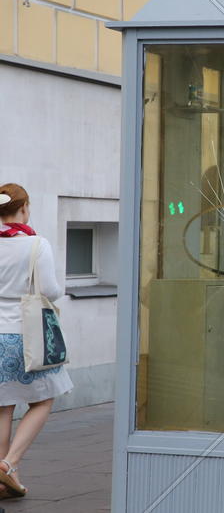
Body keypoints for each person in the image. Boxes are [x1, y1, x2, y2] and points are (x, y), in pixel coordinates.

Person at [0, 184, 72, 499]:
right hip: (26, 336)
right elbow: (51, 291)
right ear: (24, 208)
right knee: (43, 401)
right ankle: (10, 464)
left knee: (2, 407)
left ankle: (5, 481)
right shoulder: (35, 244)